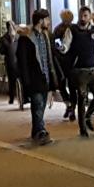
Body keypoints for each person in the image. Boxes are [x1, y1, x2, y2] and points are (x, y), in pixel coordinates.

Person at [59, 6, 94, 137]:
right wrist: (62, 48)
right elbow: (66, 45)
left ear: (90, 17)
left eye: (86, 16)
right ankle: (83, 128)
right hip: (79, 71)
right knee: (81, 97)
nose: (83, 18)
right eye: (81, 15)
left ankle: (88, 116)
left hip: (93, 69)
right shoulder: (72, 30)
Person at [16, 8, 58, 146]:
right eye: (47, 19)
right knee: (38, 105)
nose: (49, 22)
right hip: (34, 78)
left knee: (41, 106)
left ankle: (36, 132)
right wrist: (25, 81)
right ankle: (42, 131)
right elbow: (22, 61)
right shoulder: (26, 38)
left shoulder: (45, 36)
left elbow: (49, 58)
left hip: (45, 76)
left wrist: (53, 78)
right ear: (41, 21)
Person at [52, 9, 77, 121]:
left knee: (62, 85)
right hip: (72, 61)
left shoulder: (58, 29)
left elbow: (54, 45)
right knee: (72, 86)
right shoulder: (75, 28)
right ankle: (72, 108)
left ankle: (68, 105)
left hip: (61, 62)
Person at [0, 21, 19, 104]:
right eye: (9, 27)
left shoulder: (18, 37)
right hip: (10, 62)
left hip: (19, 60)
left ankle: (23, 96)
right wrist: (11, 40)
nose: (11, 28)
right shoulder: (4, 38)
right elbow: (1, 50)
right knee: (11, 80)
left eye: (12, 26)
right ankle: (12, 97)